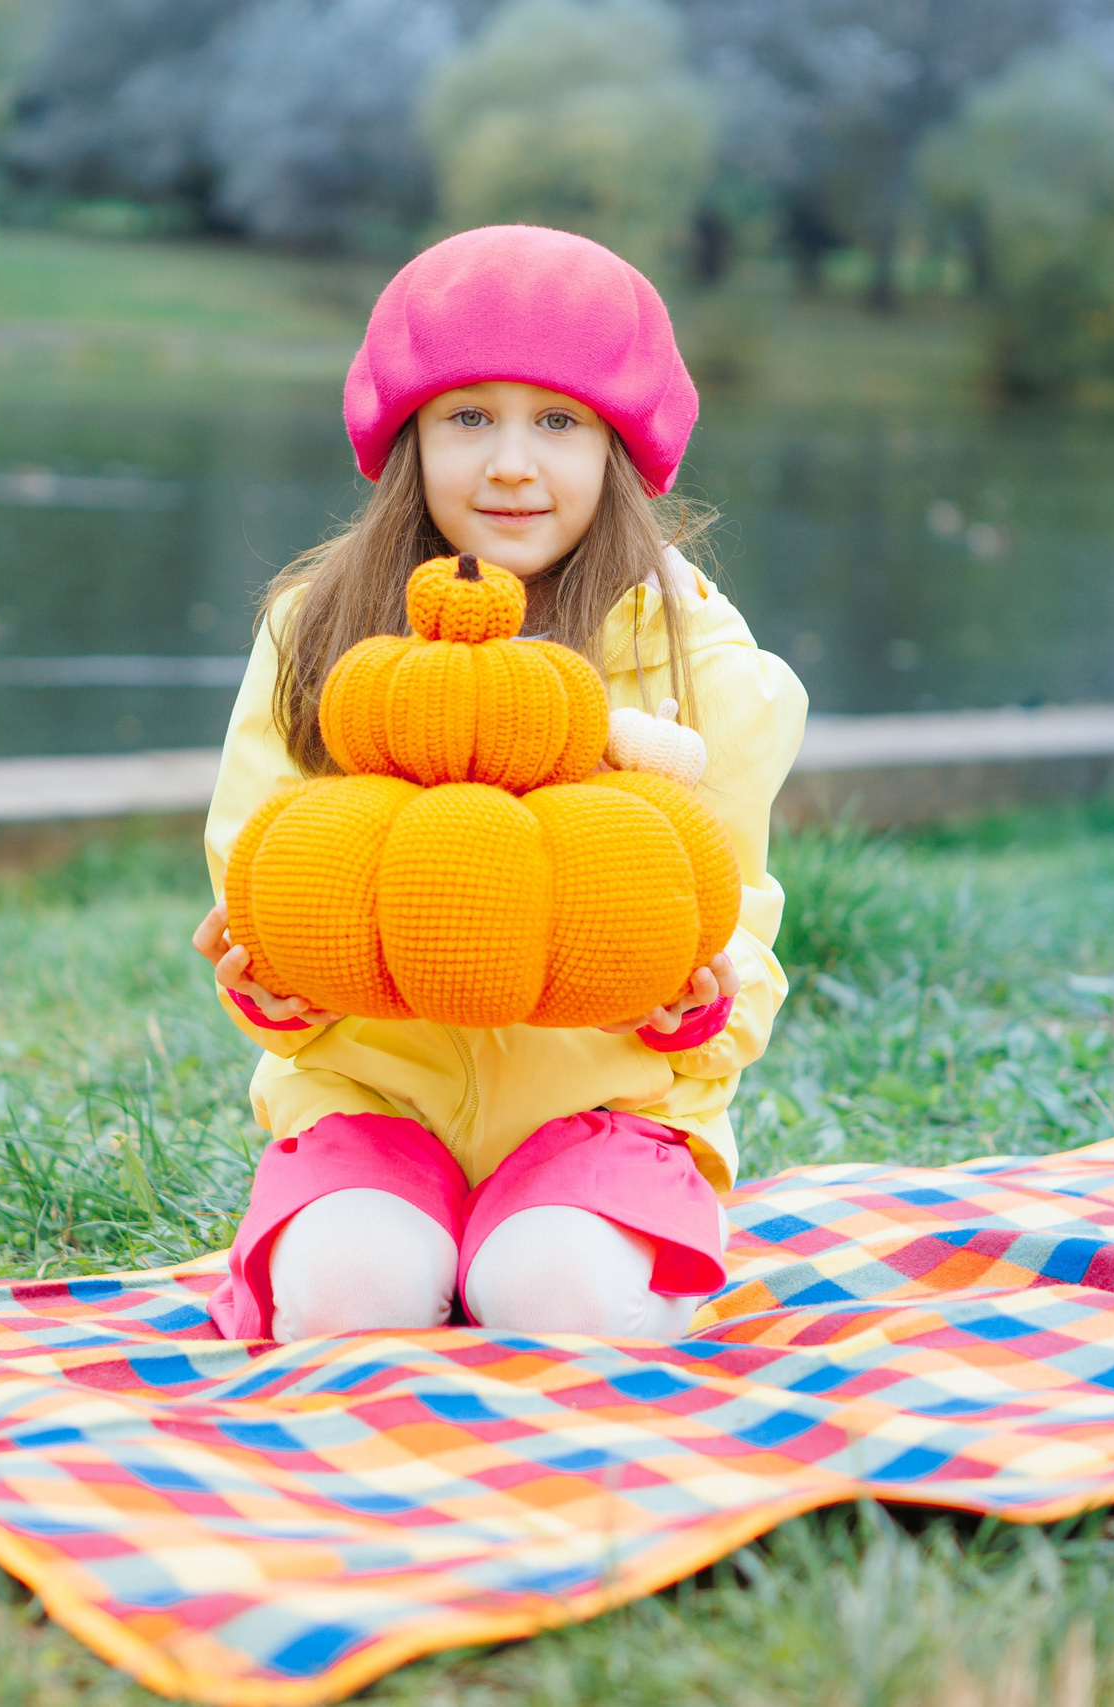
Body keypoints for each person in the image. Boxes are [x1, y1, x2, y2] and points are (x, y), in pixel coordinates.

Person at [193, 224, 807, 1343]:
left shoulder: (697, 666)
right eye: (468, 417)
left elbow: (739, 925)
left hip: (605, 1110)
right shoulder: (318, 631)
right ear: (409, 437)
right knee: (347, 1300)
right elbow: (261, 859)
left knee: (556, 1301)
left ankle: (577, 1260)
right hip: (373, 1102)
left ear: (619, 446)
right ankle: (387, 1254)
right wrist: (274, 982)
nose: (512, 463)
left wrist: (699, 1004)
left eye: (558, 422)